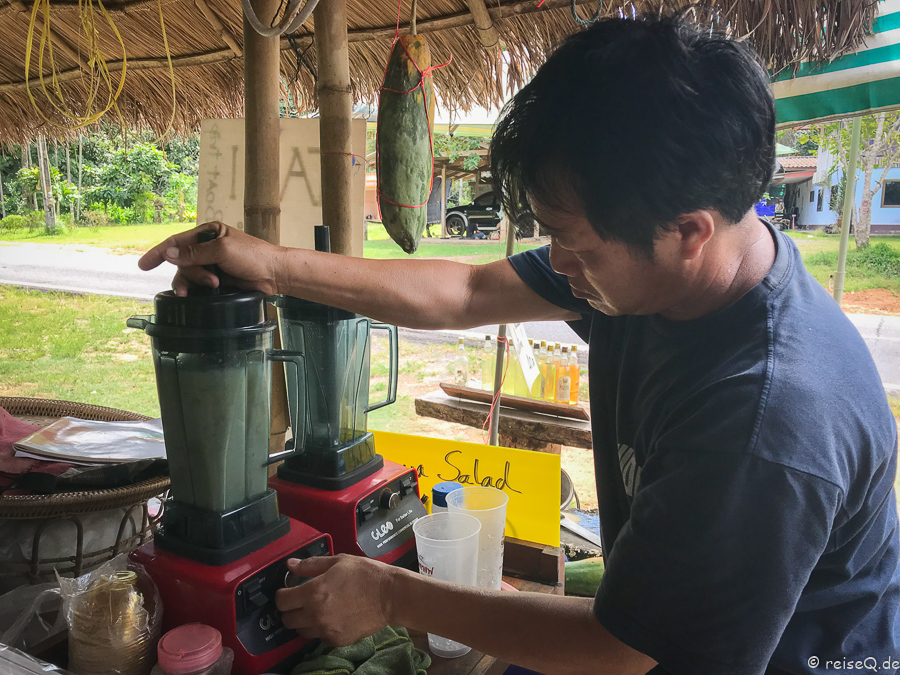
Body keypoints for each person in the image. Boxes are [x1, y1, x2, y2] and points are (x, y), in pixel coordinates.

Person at [139, 13, 900, 675]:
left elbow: (620, 649)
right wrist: (272, 265)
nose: (557, 264)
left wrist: (392, 595)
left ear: (689, 232)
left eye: (573, 242)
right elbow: (467, 293)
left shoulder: (765, 420)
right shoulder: (668, 268)